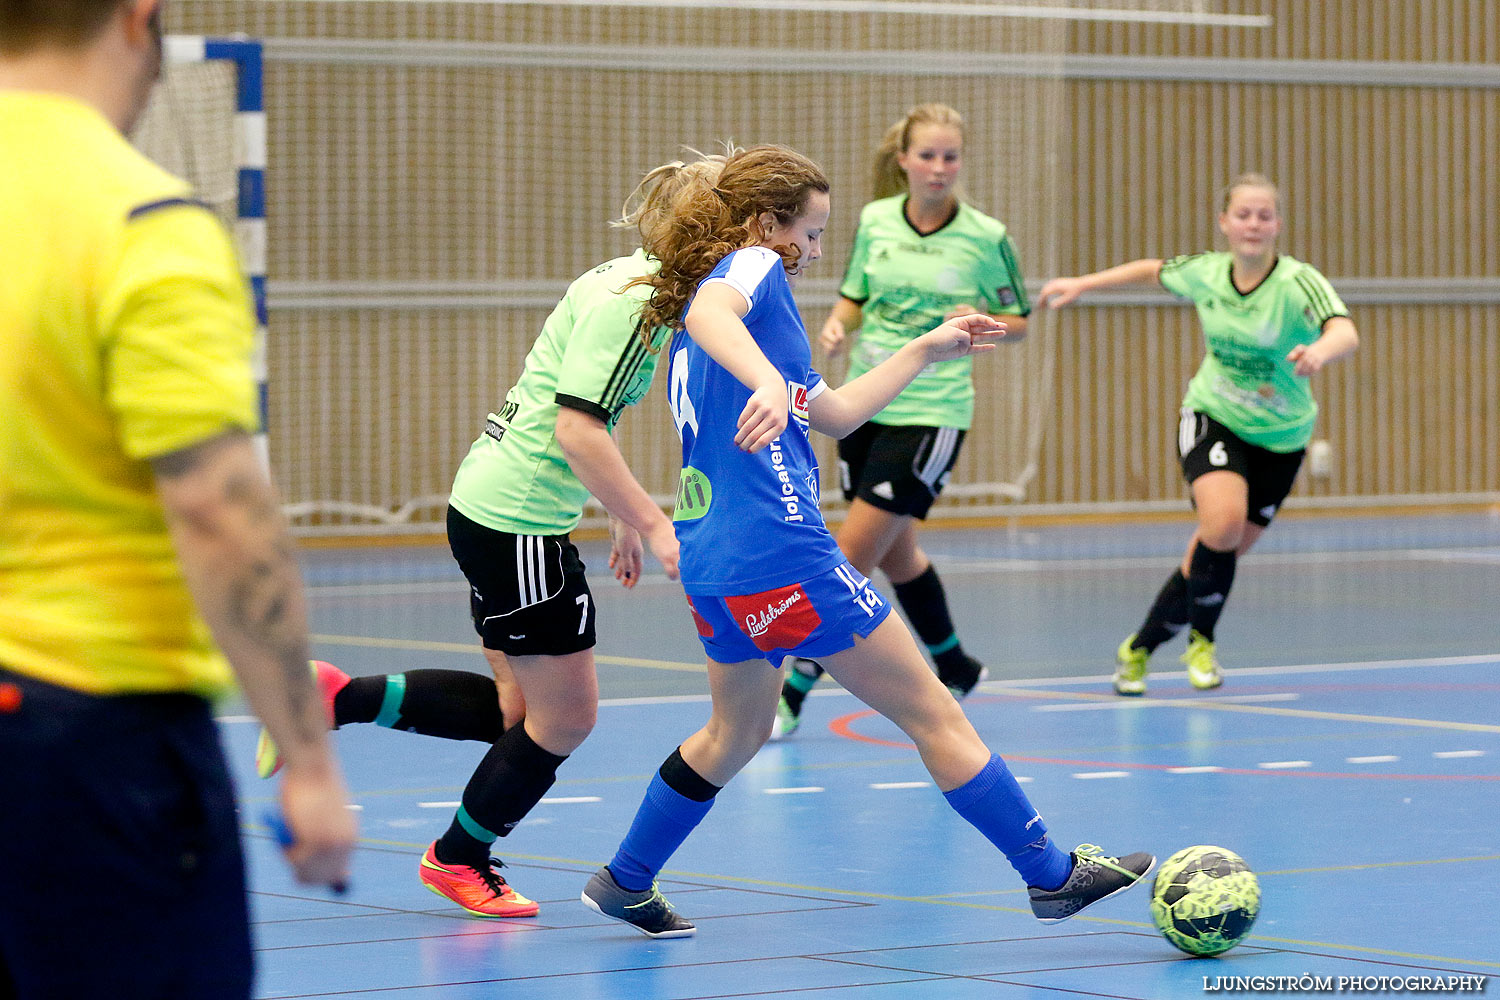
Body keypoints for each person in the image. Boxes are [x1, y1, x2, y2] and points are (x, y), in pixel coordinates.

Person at [577, 144, 1154, 939]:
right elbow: (723, 317)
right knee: (935, 714)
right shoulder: (747, 272)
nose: (816, 254)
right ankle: (1052, 876)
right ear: (761, 225)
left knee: (735, 731)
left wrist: (924, 347)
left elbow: (837, 413)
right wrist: (773, 384)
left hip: (716, 562)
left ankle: (626, 879)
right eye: (809, 235)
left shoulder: (717, 325)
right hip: (785, 554)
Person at [254, 153, 727, 918]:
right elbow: (575, 428)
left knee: (517, 710)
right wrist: (650, 519)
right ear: (709, 234)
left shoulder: (628, 281)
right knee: (564, 719)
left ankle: (332, 699)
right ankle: (458, 857)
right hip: (520, 523)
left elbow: (575, 409)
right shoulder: (636, 306)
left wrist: (613, 510)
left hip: (494, 501)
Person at [0, 1, 356, 996]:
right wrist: (310, 761)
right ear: (138, 17)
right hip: (83, 737)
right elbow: (217, 507)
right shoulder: (141, 219)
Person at [1038, 173, 1359, 695]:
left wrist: (1321, 351)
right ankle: (1202, 643)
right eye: (1243, 214)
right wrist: (1084, 283)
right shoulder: (1207, 273)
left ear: (1278, 224)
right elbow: (1151, 269)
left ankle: (1137, 649)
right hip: (1214, 415)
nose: (1254, 224)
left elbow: (1344, 328)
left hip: (1283, 437)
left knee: (1213, 554)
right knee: (1223, 524)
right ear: (1224, 222)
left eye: (1264, 215)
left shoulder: (1299, 281)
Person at [773, 103, 1030, 739]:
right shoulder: (874, 221)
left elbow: (1018, 320)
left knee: (852, 550)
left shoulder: (986, 237)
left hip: (934, 411)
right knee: (897, 551)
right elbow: (857, 298)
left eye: (951, 156)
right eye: (929, 155)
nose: (940, 167)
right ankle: (956, 665)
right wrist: (838, 324)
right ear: (904, 161)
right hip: (864, 401)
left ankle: (795, 687)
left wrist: (983, 323)